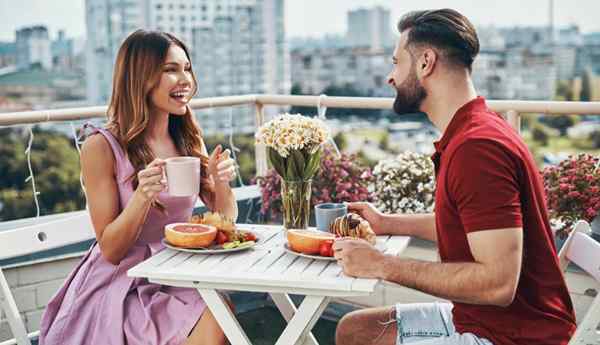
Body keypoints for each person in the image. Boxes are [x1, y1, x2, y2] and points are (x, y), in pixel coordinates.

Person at [334, 9, 576, 345]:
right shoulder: (471, 132)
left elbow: (497, 284)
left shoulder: (478, 149)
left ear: (425, 62)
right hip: (483, 320)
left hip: (515, 336)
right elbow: (470, 226)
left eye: (396, 62)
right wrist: (385, 222)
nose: (391, 77)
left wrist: (382, 265)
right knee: (355, 331)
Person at [39, 30, 237, 345]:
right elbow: (112, 250)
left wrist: (222, 183)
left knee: (220, 311)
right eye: (171, 70)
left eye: (187, 68)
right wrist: (142, 197)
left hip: (174, 273)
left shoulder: (185, 136)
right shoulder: (101, 146)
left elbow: (225, 219)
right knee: (216, 319)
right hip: (121, 285)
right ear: (141, 78)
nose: (185, 79)